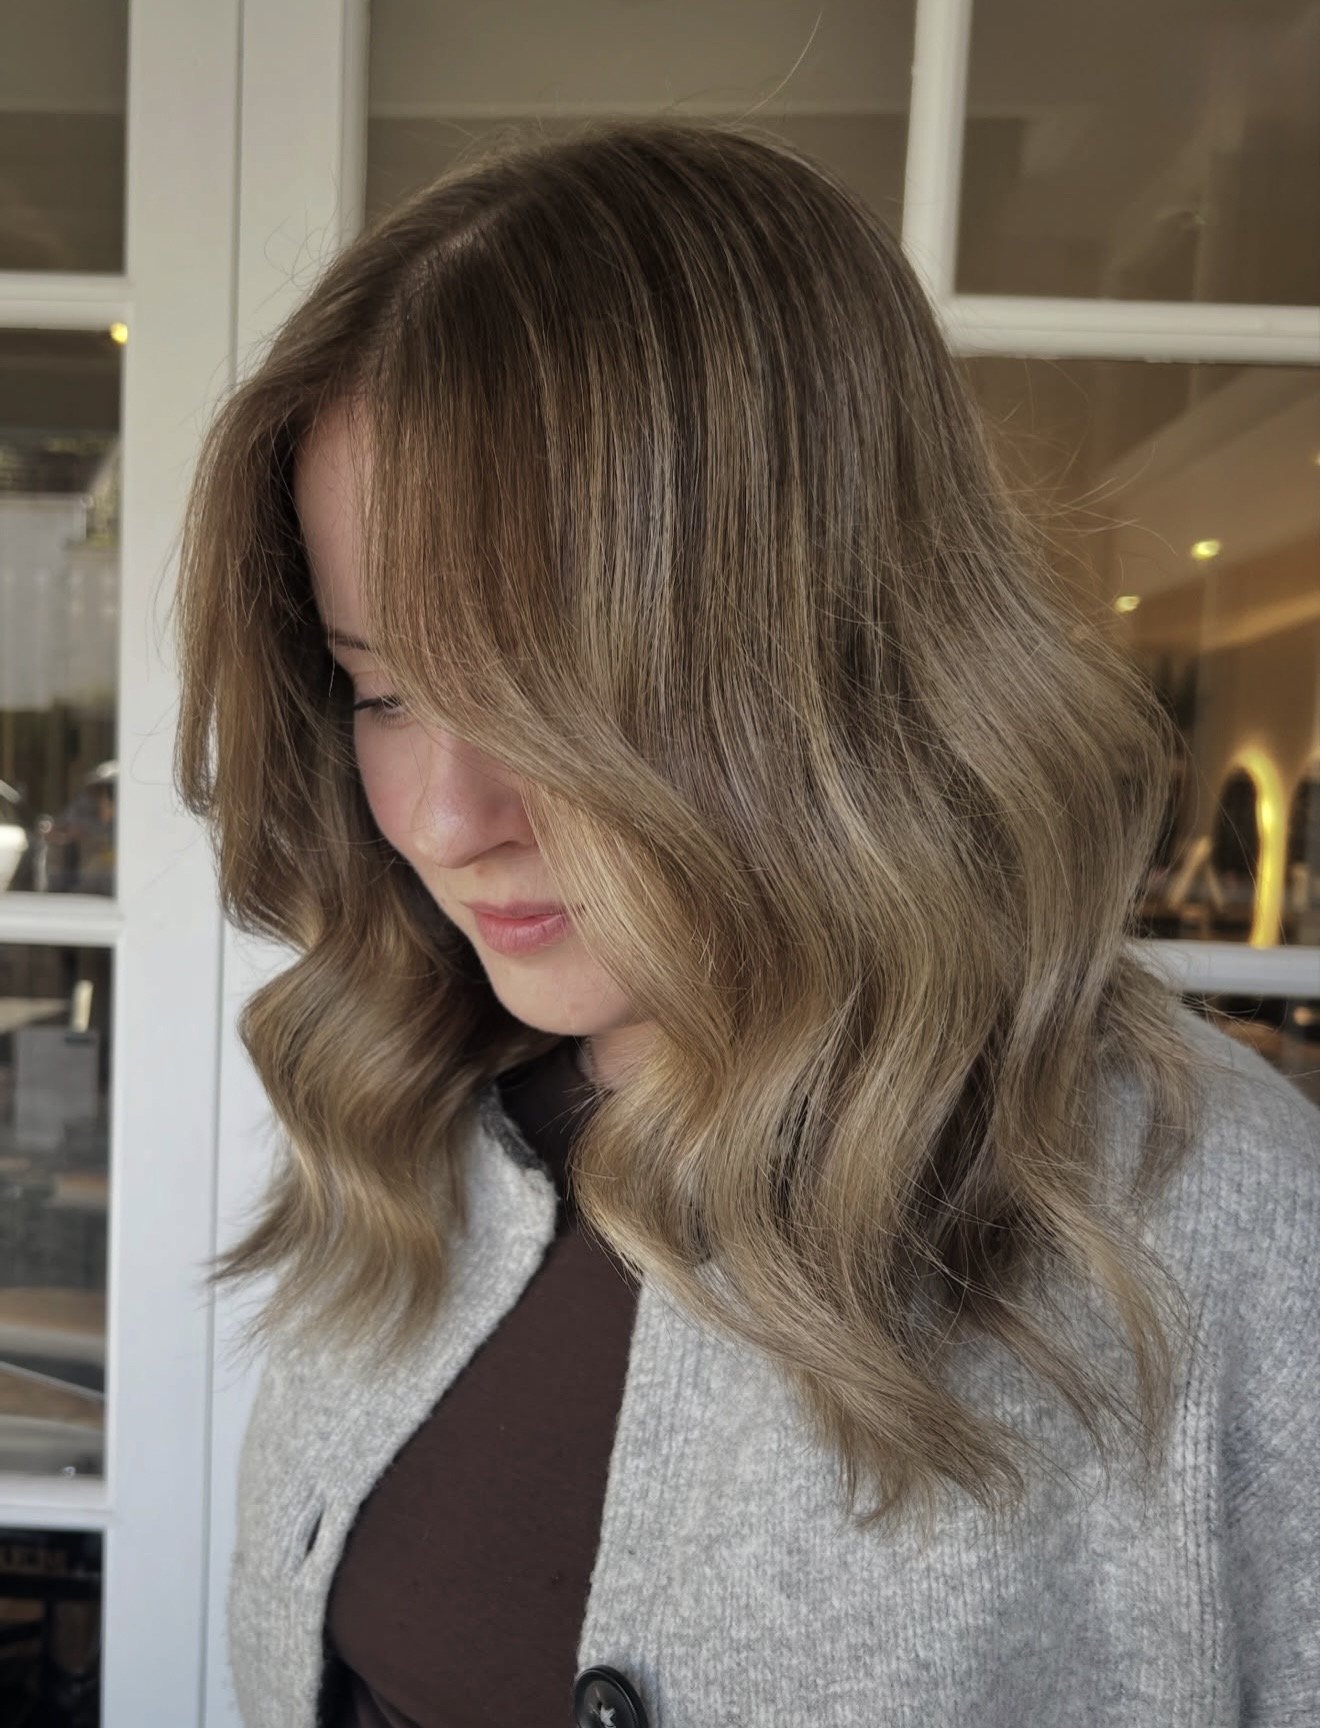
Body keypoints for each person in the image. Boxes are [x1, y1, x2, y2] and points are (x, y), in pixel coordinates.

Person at [172, 119, 1319, 1728]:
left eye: (547, 699)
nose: (442, 818)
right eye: (384, 690)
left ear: (843, 651)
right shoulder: (417, 1127)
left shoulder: (1224, 1243)